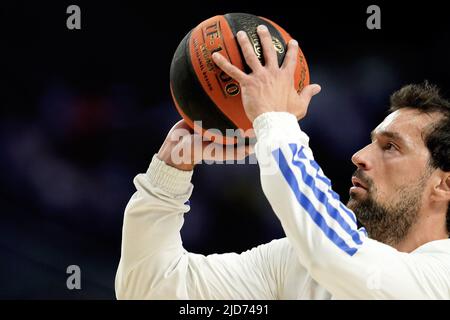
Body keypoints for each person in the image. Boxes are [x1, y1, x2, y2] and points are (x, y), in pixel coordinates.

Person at [115, 25, 450, 299]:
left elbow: (333, 254)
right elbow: (150, 289)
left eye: (390, 147)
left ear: (444, 184)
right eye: (372, 141)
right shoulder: (295, 264)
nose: (360, 156)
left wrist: (274, 119)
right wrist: (169, 177)